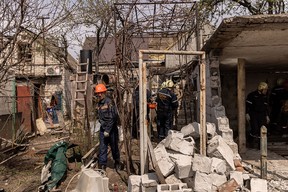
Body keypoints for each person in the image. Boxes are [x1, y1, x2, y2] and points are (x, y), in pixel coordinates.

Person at [95, 83, 120, 171]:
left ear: (104, 92)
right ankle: (103, 165)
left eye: (101, 93)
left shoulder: (110, 102)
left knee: (114, 147)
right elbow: (99, 116)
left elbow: (113, 117)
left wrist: (108, 130)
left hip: (111, 129)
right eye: (98, 93)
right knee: (102, 147)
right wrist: (102, 127)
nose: (99, 94)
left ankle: (117, 162)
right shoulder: (98, 104)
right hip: (103, 128)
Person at [246, 82, 270, 148]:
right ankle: (249, 142)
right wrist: (247, 114)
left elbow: (266, 107)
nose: (266, 91)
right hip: (253, 114)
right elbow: (247, 106)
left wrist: (267, 116)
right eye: (265, 90)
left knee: (262, 130)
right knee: (255, 129)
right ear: (261, 89)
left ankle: (261, 146)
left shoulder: (265, 97)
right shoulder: (252, 95)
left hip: (262, 115)